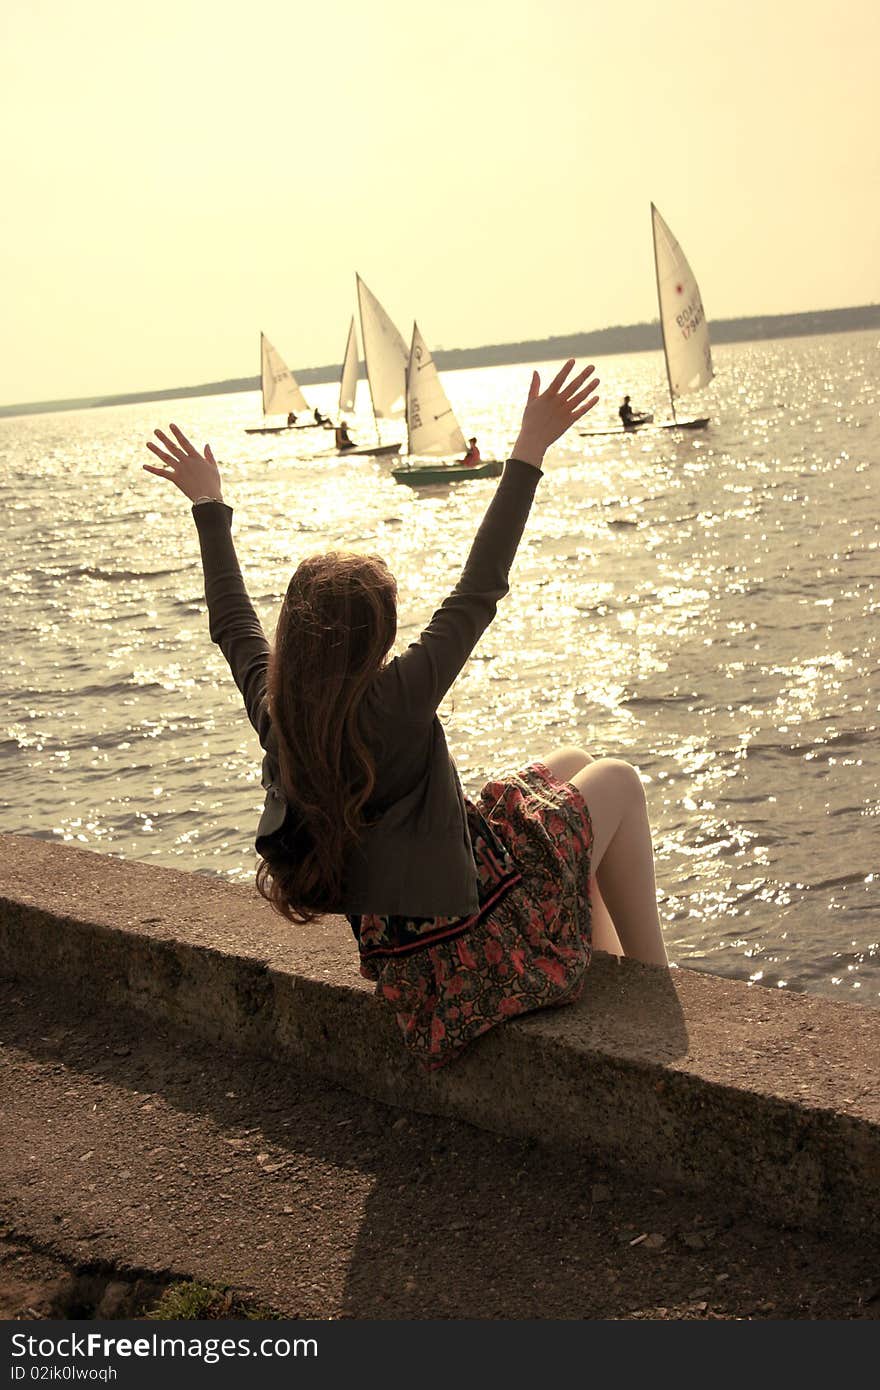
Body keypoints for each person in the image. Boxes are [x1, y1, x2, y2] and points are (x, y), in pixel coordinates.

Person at [143, 360, 668, 1071]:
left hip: (411, 962)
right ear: (378, 638)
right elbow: (480, 587)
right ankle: (654, 984)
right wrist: (529, 450)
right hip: (476, 953)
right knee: (619, 781)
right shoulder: (395, 699)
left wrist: (209, 507)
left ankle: (607, 968)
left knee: (570, 766)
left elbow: (232, 623)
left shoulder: (281, 711)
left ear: (295, 640)